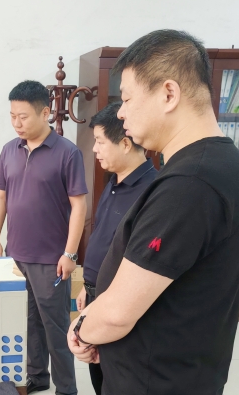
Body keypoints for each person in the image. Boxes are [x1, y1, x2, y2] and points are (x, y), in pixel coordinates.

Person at [67, 30, 239, 395]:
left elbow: (118, 314)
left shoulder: (191, 182)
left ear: (169, 94)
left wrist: (80, 330)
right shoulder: (217, 162)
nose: (121, 112)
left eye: (127, 98)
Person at [0, 80, 87, 395]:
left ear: (45, 113)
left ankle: (66, 388)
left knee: (55, 327)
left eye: (23, 117)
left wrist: (70, 254)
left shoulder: (67, 153)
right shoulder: (9, 150)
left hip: (51, 260)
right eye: (12, 116)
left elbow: (79, 206)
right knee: (29, 323)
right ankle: (37, 377)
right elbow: (1, 197)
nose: (16, 123)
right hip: (16, 255)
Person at [77, 101, 157, 395]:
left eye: (100, 142)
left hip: (119, 304)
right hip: (95, 294)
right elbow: (103, 238)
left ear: (125, 143)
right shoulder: (112, 183)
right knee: (97, 375)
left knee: (116, 378)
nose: (94, 149)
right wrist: (87, 284)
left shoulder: (151, 192)